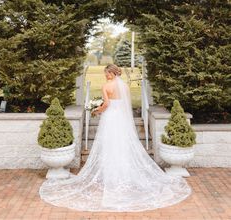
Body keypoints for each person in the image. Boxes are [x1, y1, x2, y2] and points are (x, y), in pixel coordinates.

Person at [39, 63, 192, 212]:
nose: (105, 76)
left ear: (111, 73)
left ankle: (111, 174)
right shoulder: (124, 86)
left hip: (111, 118)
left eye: (106, 74)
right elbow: (126, 104)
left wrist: (95, 110)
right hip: (122, 119)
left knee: (110, 144)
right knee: (122, 144)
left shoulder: (107, 86)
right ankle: (123, 172)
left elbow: (106, 104)